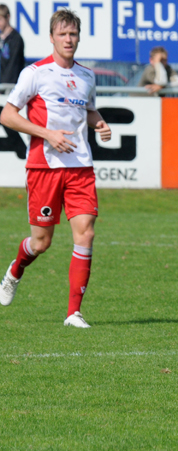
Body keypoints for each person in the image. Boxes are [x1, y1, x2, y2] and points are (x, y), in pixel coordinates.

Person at [0, 9, 112, 328]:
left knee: (86, 233)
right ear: (51, 38)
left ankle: (73, 313)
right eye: (62, 34)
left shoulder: (87, 76)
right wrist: (47, 134)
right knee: (41, 243)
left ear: (79, 38)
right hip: (44, 167)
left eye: (73, 34)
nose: (68, 39)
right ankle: (15, 271)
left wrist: (100, 123)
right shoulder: (34, 73)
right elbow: (7, 115)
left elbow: (88, 110)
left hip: (80, 167)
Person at [0, 3, 25, 84]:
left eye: (0, 19)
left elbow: (13, 66)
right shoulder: (1, 39)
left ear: (8, 17)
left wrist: (4, 85)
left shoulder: (16, 39)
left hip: (10, 85)